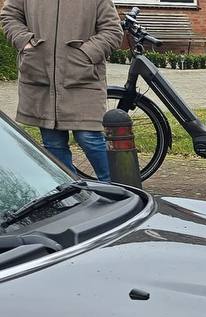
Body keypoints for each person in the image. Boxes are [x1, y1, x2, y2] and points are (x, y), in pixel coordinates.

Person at [1, 0, 122, 181]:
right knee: (53, 142)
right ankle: (70, 196)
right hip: (41, 77)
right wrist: (25, 42)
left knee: (88, 137)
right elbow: (9, 17)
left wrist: (87, 53)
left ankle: (120, 191)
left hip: (82, 78)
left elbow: (112, 31)